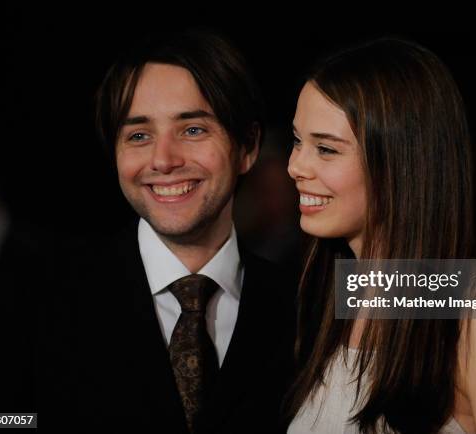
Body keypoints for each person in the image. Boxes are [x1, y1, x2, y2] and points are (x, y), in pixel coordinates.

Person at [284, 38, 476, 434]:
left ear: (400, 161)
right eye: (297, 141)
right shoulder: (329, 295)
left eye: (325, 149)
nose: (295, 166)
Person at [42, 29, 296, 433]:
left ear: (247, 147)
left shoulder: (307, 303)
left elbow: (431, 294)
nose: (163, 160)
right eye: (139, 136)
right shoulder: (39, 295)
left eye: (192, 129)